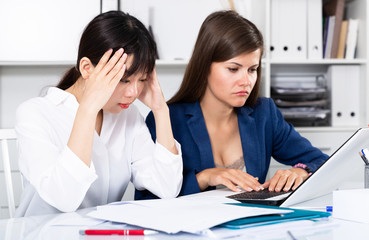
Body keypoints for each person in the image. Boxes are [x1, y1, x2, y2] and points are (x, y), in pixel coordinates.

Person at [135, 10, 328, 200]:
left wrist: (300, 172)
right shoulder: (167, 120)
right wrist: (203, 178)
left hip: (247, 228)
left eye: (252, 69)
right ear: (204, 66)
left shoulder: (264, 113)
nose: (246, 81)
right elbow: (146, 199)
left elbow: (321, 160)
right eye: (233, 69)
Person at [14, 11, 183, 217]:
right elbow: (63, 198)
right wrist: (88, 108)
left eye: (142, 79)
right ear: (87, 68)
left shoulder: (128, 116)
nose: (134, 93)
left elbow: (167, 187)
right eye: (124, 80)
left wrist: (160, 109)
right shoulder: (35, 113)